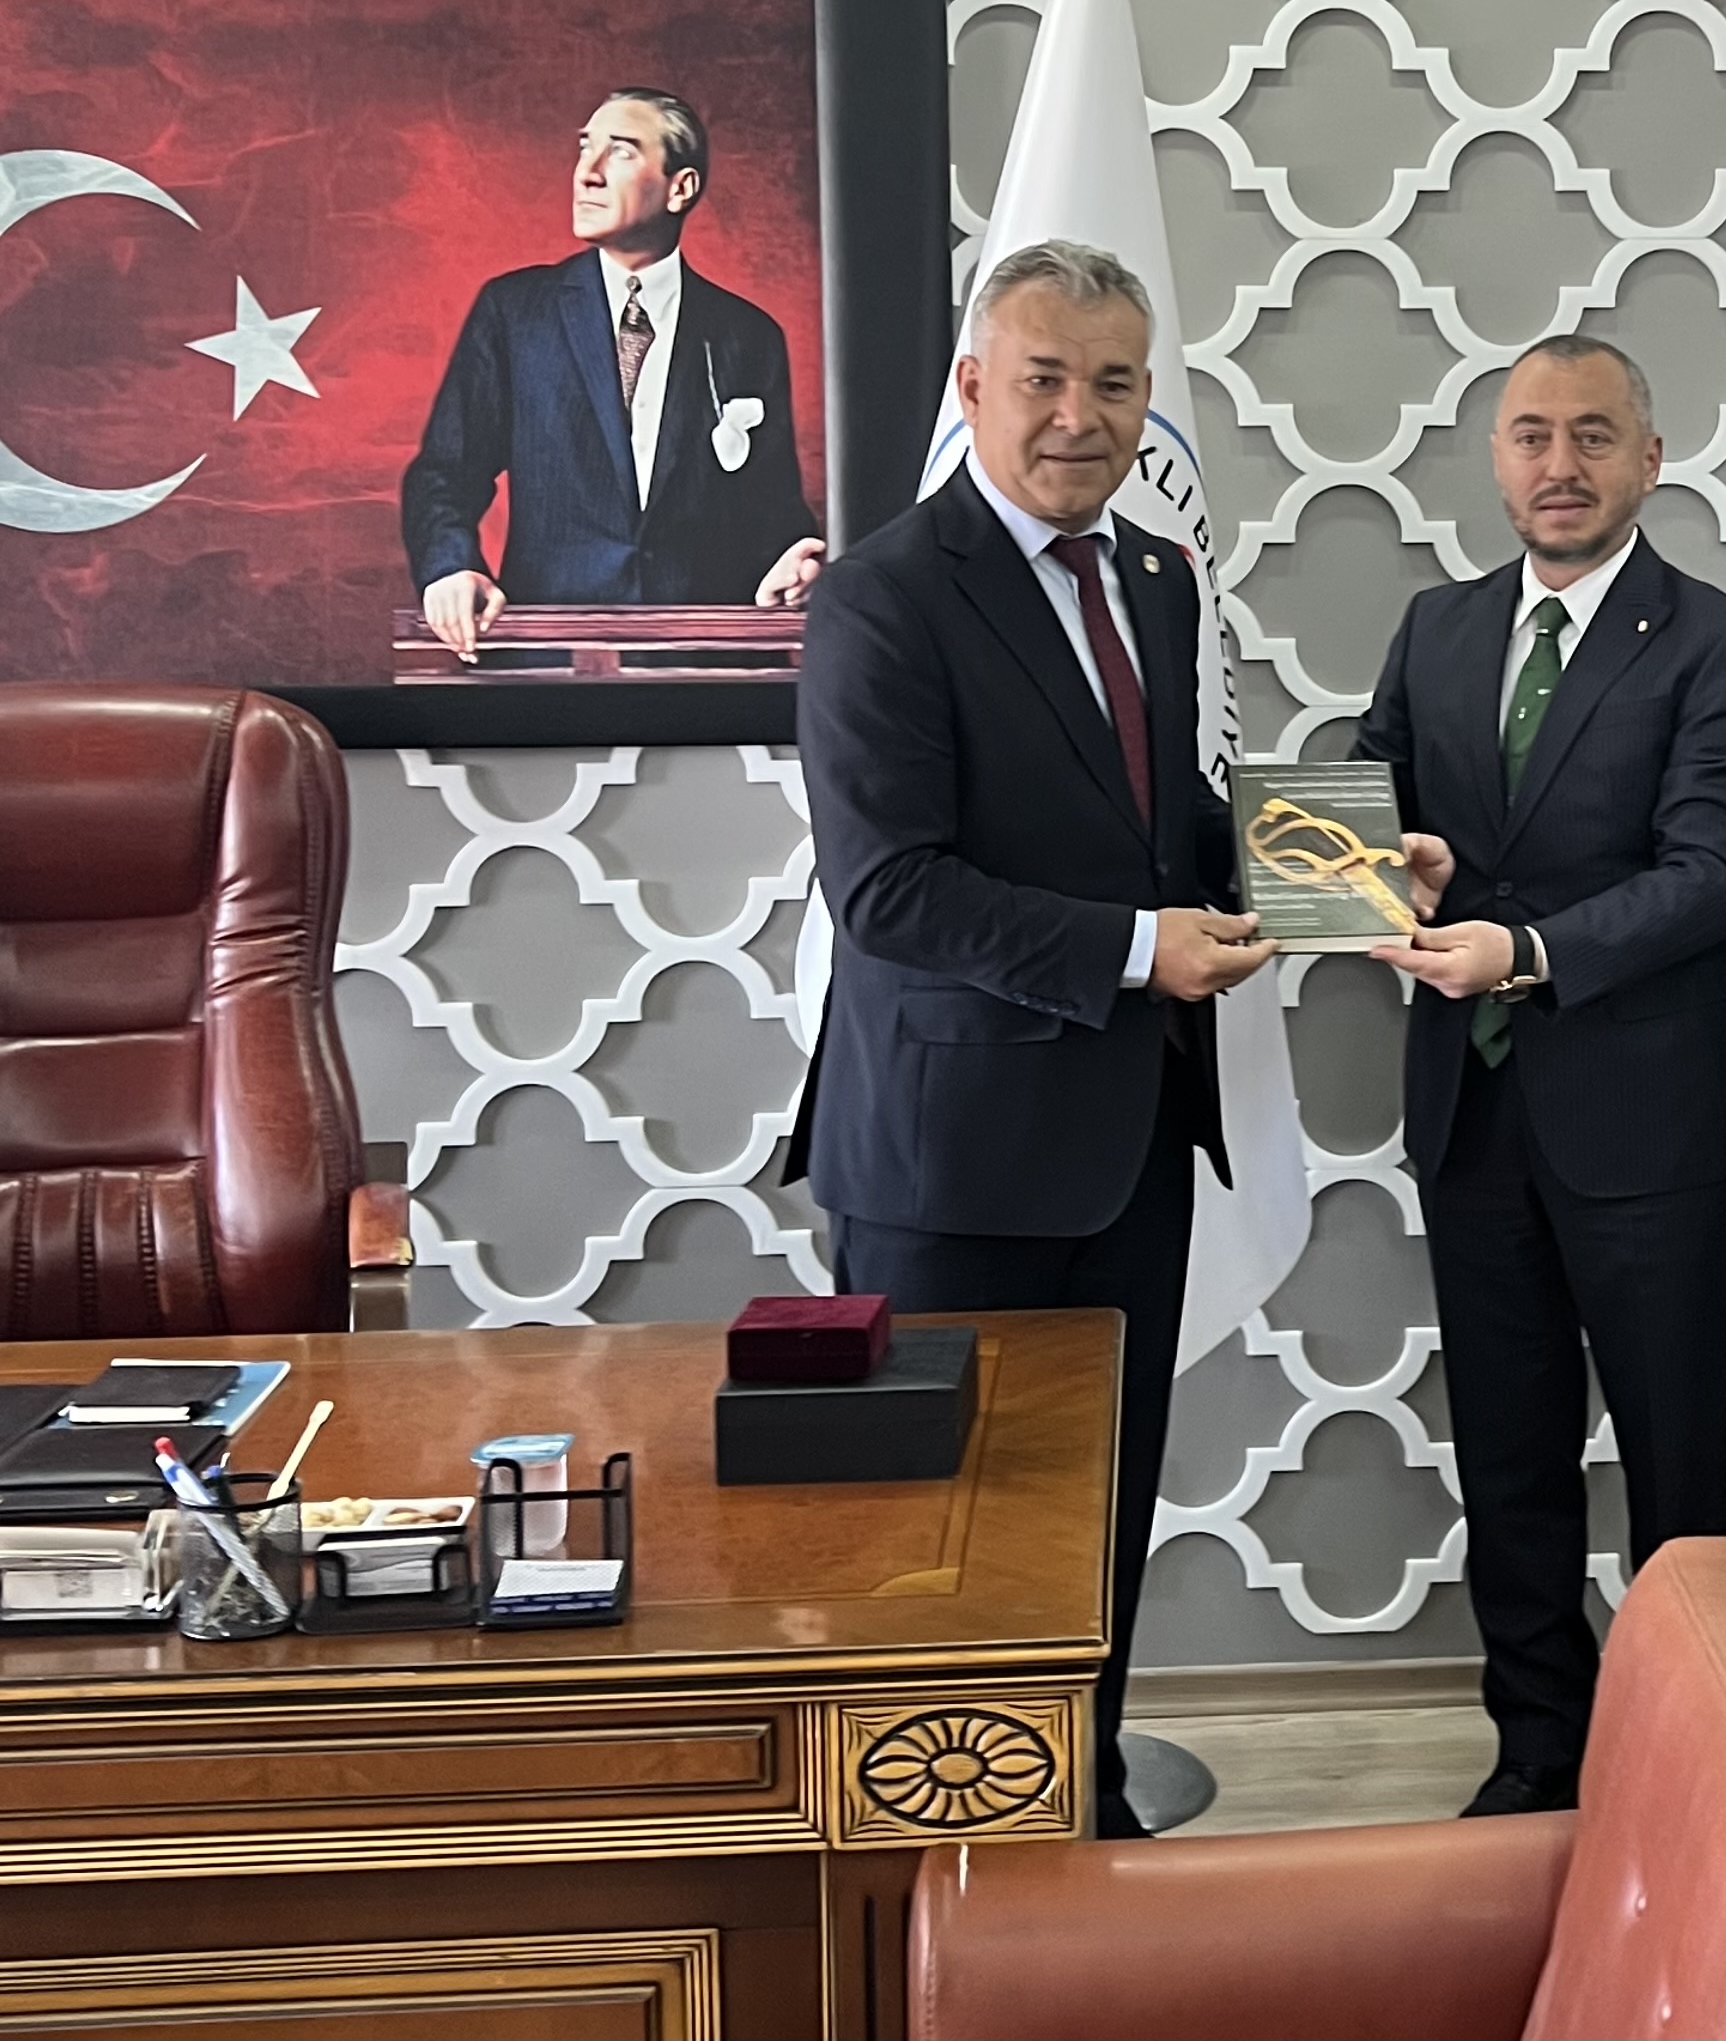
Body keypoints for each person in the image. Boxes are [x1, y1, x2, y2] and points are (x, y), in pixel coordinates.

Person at [792, 238, 1272, 1839]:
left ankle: (1081, 1793)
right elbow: (889, 888)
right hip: (948, 1162)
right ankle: (941, 1842)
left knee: (1097, 1513)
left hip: (1130, 1134)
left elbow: (1153, 823)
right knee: (938, 1533)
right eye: (1045, 378)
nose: (1081, 416)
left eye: (1115, 383)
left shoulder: (1157, 575)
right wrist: (1141, 949)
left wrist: (1326, 872)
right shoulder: (881, 594)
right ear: (972, 385)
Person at [1356, 333, 1726, 1817]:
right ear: (1493, 457)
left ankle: (1698, 1769)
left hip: (1650, 1130)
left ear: (1648, 459)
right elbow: (1365, 808)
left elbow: (1704, 876)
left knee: (1676, 1472)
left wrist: (1524, 949)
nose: (1560, 464)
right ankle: (1538, 1753)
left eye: (1593, 435)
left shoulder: (1721, 646)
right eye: (1531, 434)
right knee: (1509, 1464)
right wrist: (1390, 874)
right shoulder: (1434, 629)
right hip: (1471, 1119)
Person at [400, 88, 824, 657]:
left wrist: (796, 560)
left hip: (704, 665)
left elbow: (773, 507)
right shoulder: (516, 312)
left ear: (680, 188)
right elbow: (446, 473)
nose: (587, 173)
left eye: (621, 152)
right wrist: (450, 568)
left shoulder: (747, 334)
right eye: (585, 148)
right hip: (548, 662)